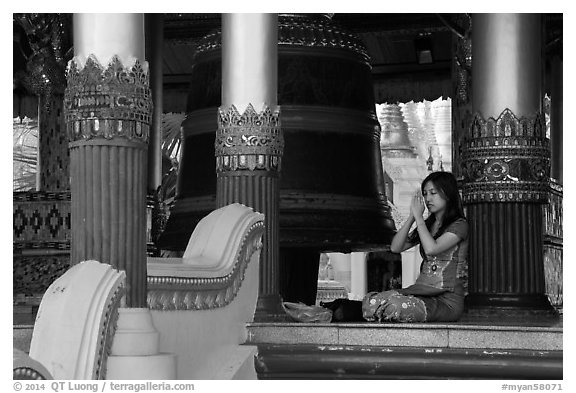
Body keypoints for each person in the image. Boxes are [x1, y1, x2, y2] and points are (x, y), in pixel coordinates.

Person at [322, 171, 468, 323]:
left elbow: (432, 248)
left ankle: (350, 312)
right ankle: (343, 310)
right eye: (425, 194)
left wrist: (419, 218)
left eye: (433, 193)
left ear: (448, 194)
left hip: (446, 301)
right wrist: (412, 216)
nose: (427, 199)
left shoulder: (459, 225)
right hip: (421, 292)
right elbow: (396, 247)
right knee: (374, 300)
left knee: (396, 306)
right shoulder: (427, 226)